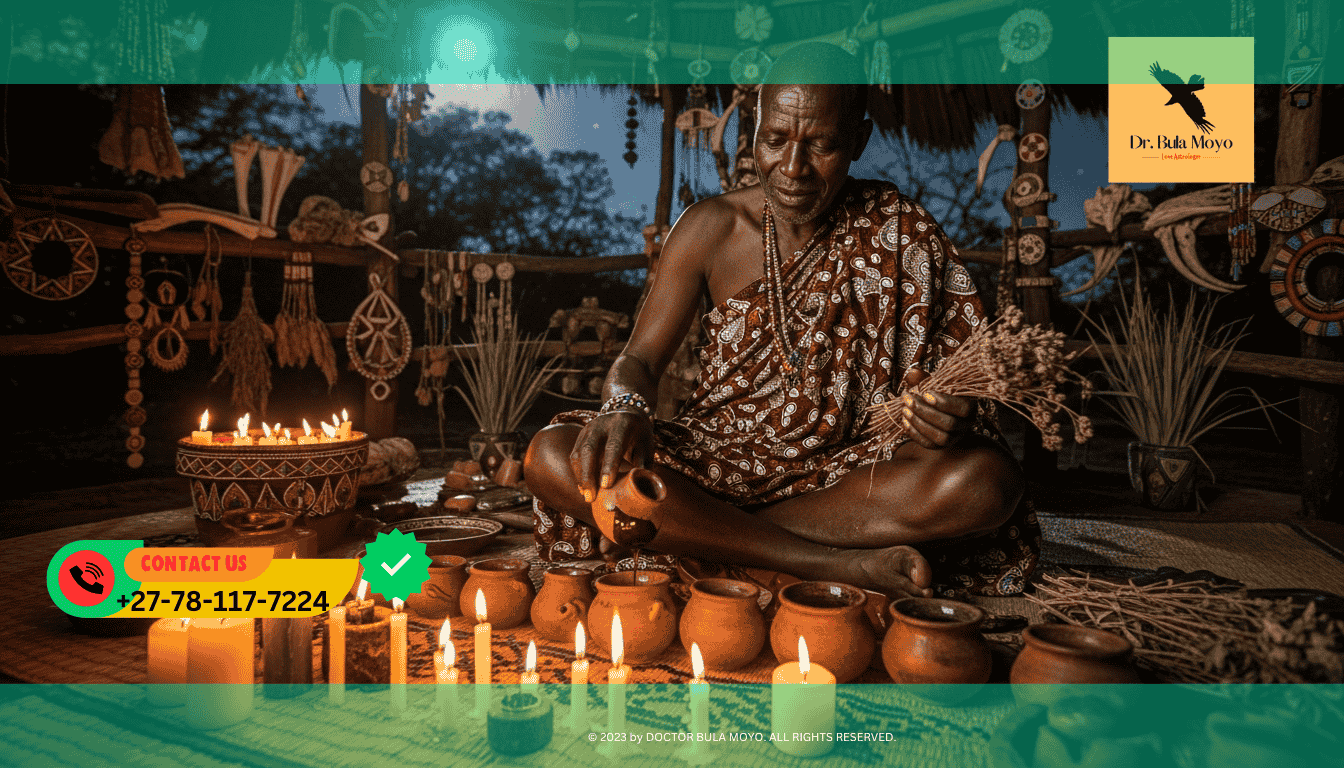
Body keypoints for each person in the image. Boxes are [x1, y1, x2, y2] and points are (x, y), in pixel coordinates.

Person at [524, 43, 1038, 599]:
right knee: (553, 454)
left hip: (848, 475)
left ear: (859, 141)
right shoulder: (709, 227)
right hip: (715, 460)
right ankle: (829, 563)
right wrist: (625, 407)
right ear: (754, 129)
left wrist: (948, 416)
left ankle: (691, 537)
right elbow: (640, 361)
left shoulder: (903, 231)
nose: (792, 169)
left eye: (822, 145)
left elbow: (960, 390)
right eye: (775, 140)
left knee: (987, 483)